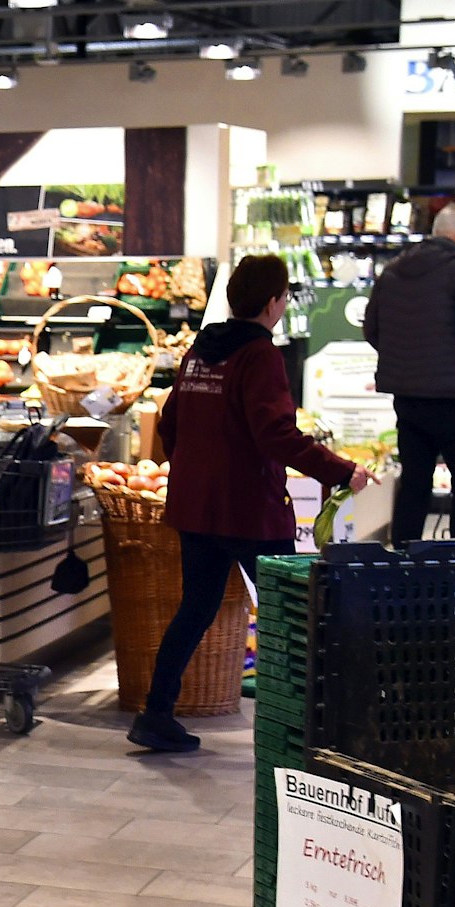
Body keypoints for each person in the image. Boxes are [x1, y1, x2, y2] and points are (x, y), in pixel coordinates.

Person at [130, 255, 373, 754]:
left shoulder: (201, 349)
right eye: (283, 297)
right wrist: (342, 471)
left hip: (197, 506)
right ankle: (309, 723)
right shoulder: (260, 356)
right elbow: (275, 433)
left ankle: (156, 714)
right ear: (272, 302)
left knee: (194, 610)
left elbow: (170, 421)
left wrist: (195, 471)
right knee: (291, 613)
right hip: (249, 509)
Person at [364, 201, 455, 543]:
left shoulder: (393, 271)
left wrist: (406, 358)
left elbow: (372, 329)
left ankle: (403, 562)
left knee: (415, 482)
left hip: (408, 397)